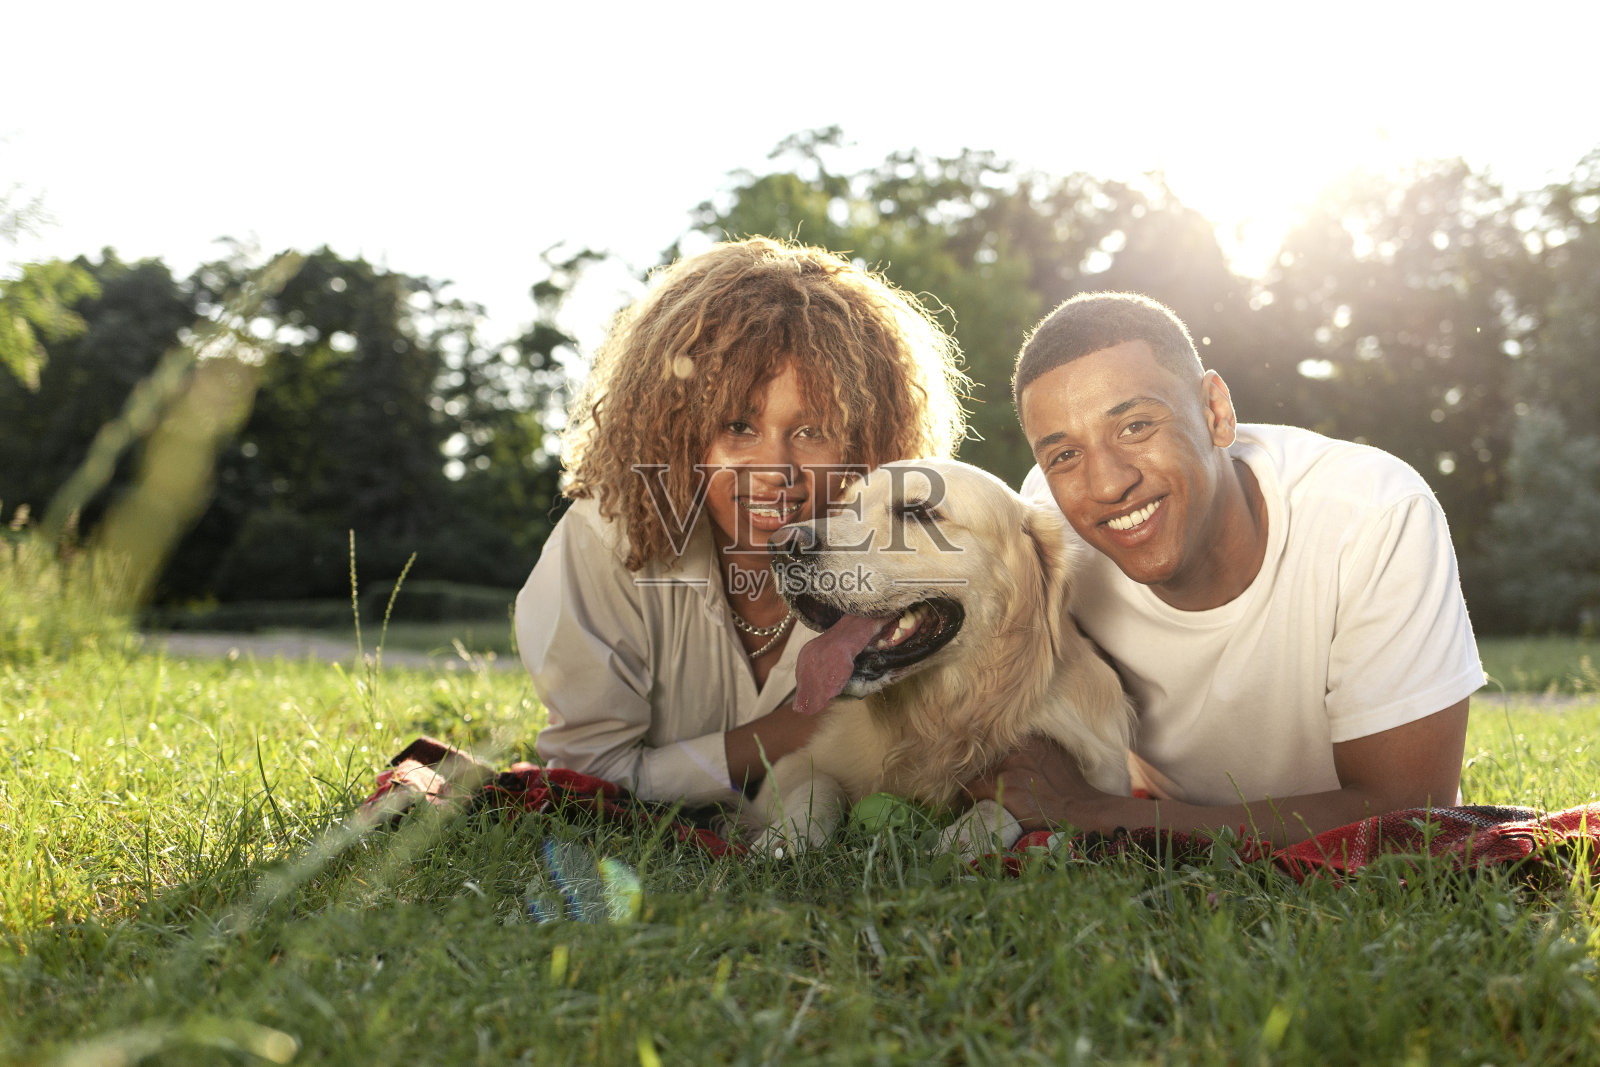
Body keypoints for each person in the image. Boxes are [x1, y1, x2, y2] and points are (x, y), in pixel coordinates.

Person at [975, 291, 1484, 844]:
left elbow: (1406, 815)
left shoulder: (1374, 513)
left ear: (1216, 413)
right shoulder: (1053, 529)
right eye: (1064, 455)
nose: (1107, 484)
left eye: (1136, 426)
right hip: (1161, 808)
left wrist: (1092, 812)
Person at [516, 237, 967, 807]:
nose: (775, 469)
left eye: (812, 431)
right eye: (738, 426)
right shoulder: (606, 538)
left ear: (867, 444)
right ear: (678, 430)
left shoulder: (906, 568)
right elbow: (587, 777)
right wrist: (796, 731)